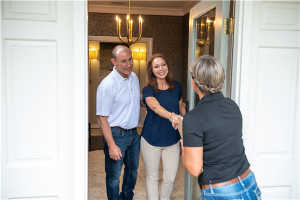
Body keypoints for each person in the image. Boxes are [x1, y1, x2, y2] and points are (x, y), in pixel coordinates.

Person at [178, 55, 261, 199]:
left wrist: (184, 144)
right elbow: (219, 138)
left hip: (222, 191)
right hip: (248, 181)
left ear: (194, 83)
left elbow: (194, 168)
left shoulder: (193, 118)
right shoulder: (232, 105)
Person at [96, 45, 141, 200]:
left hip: (134, 134)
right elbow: (101, 118)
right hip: (116, 134)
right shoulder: (107, 86)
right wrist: (111, 145)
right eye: (123, 61)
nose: (128, 64)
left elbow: (136, 101)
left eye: (130, 60)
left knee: (132, 171)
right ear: (114, 62)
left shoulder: (134, 77)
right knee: (114, 176)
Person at [141, 53, 186, 200]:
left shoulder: (177, 86)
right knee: (152, 177)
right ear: (152, 71)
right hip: (151, 139)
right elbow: (155, 107)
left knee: (170, 179)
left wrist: (186, 123)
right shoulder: (148, 89)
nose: (161, 69)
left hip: (172, 140)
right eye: (156, 66)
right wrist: (172, 116)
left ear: (167, 66)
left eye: (163, 64)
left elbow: (181, 107)